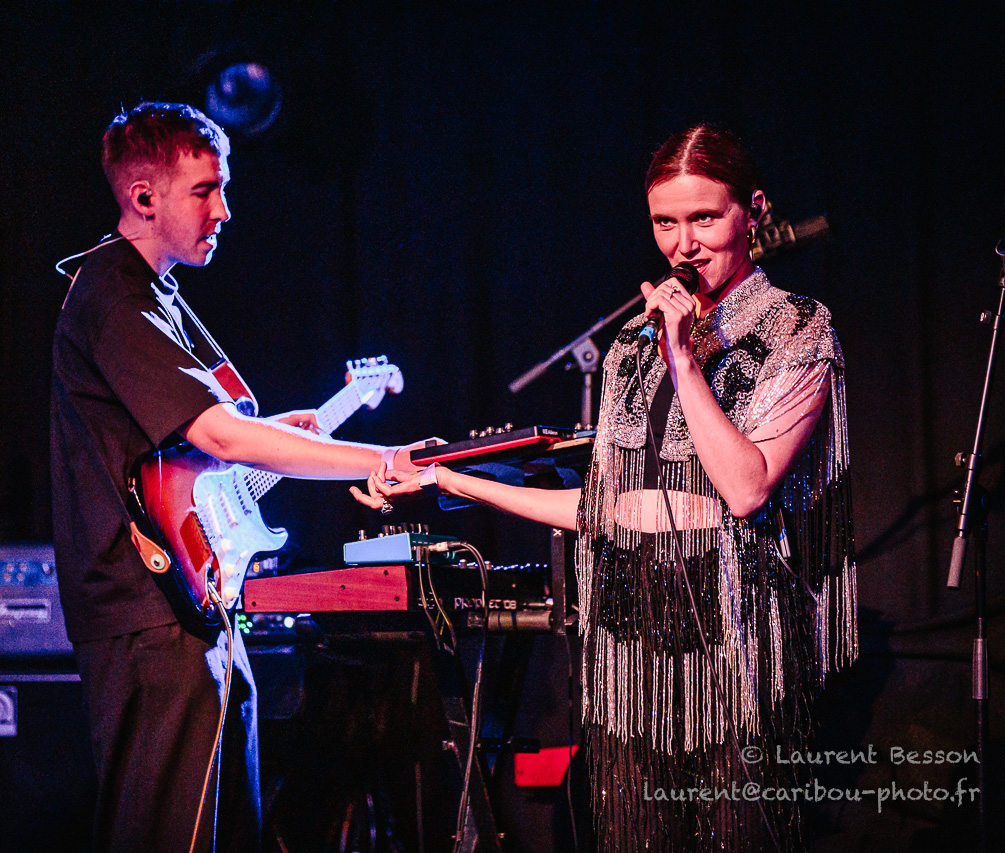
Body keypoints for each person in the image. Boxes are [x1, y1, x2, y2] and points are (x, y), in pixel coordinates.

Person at [355, 125, 857, 851]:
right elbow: (600, 511)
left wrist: (684, 362)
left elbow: (746, 489)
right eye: (665, 223)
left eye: (704, 218)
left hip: (738, 645)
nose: (683, 244)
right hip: (632, 651)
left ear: (752, 211)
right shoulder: (630, 346)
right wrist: (447, 478)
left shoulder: (797, 328)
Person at [50, 102, 427, 853]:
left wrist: (280, 431)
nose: (223, 210)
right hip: (150, 611)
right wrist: (381, 459)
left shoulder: (155, 294)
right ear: (144, 196)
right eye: (205, 190)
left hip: (187, 609)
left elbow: (196, 446)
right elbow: (219, 434)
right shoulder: (113, 296)